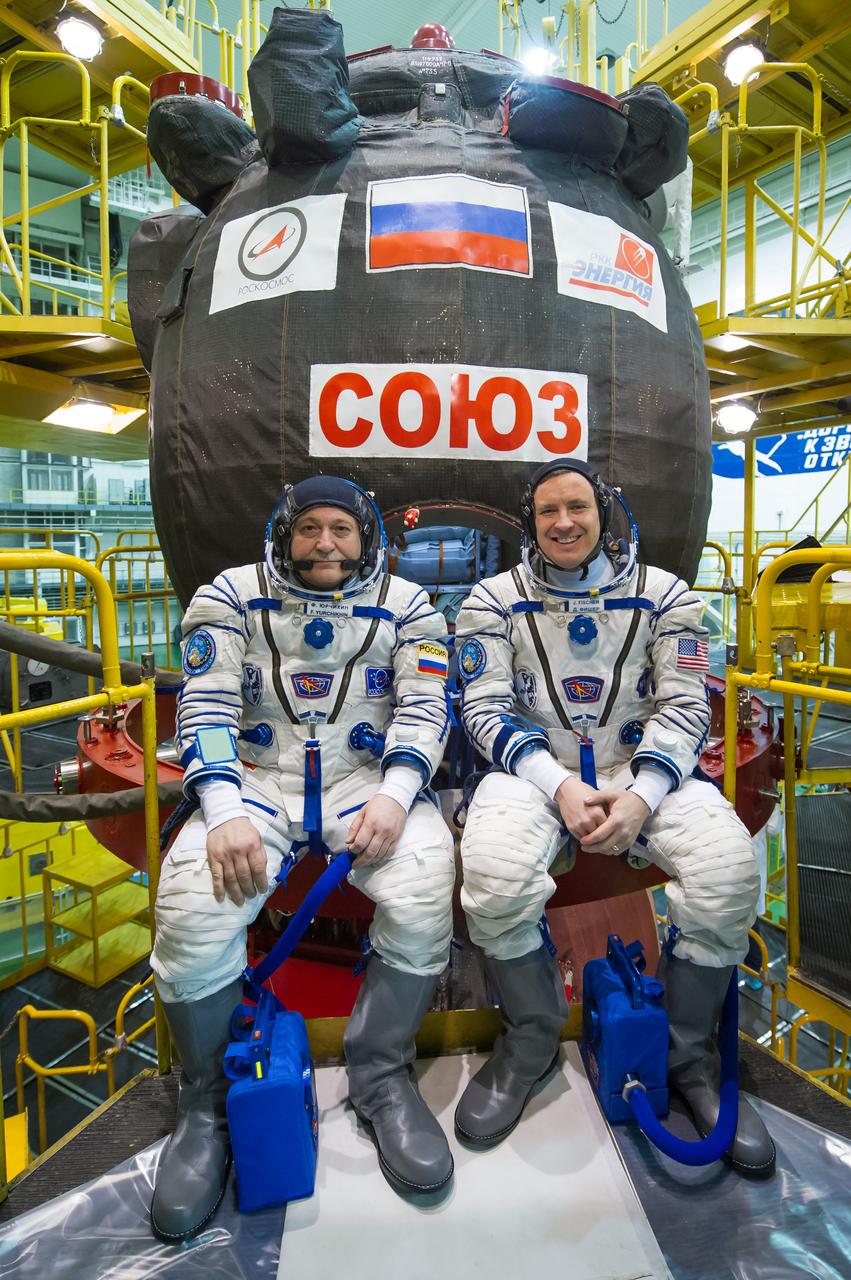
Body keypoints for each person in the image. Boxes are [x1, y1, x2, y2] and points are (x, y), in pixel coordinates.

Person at [149, 476, 456, 1242]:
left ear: (366, 539)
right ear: (283, 536)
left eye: (342, 530)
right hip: (256, 783)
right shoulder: (229, 594)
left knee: (423, 883)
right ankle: (209, 1108)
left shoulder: (408, 606)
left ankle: (380, 1075)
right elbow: (206, 704)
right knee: (189, 908)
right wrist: (220, 810)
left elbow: (424, 709)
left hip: (364, 785)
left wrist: (397, 791)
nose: (326, 544)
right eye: (310, 529)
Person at [452, 458, 775, 1177]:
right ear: (529, 523)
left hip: (645, 773)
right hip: (533, 773)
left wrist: (642, 796)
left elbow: (687, 704)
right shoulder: (490, 600)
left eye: (576, 508)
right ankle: (530, 1042)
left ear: (602, 514)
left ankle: (687, 1060)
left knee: (727, 876)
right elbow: (483, 708)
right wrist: (559, 786)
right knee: (496, 879)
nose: (563, 523)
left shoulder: (666, 598)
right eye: (546, 513)